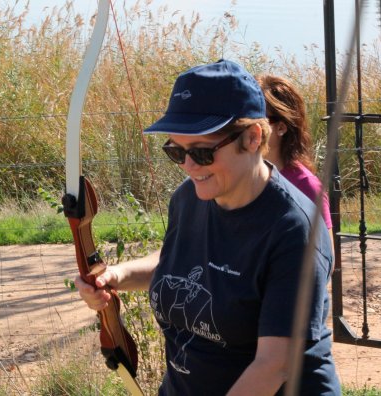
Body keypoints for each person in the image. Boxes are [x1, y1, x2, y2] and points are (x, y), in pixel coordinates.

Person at [75, 59, 340, 395]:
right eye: (175, 151)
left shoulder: (295, 229)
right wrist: (117, 276)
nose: (187, 166)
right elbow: (180, 264)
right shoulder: (189, 197)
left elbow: (275, 364)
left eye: (201, 153)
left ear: (253, 138)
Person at [257, 74, 333, 235]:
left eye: (258, 121)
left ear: (281, 127)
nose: (248, 129)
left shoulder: (307, 187)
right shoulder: (238, 178)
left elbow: (325, 256)